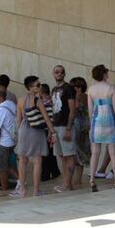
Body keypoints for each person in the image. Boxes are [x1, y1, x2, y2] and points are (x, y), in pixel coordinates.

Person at [12, 76, 55, 197]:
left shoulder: (20, 100)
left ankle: (22, 190)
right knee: (37, 161)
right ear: (30, 87)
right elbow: (46, 118)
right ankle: (36, 190)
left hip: (24, 130)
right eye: (37, 85)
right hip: (36, 131)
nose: (40, 86)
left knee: (22, 160)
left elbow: (19, 119)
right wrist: (52, 132)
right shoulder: (38, 100)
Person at [88, 65, 115, 192]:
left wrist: (92, 122)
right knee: (113, 152)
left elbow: (90, 109)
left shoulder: (91, 89)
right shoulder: (111, 88)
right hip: (110, 121)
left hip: (96, 121)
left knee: (95, 152)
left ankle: (92, 180)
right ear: (104, 74)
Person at [51, 65, 77, 193]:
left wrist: (68, 128)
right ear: (53, 74)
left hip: (65, 126)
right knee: (62, 156)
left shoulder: (68, 88)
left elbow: (72, 110)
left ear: (64, 73)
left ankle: (66, 184)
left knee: (69, 155)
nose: (59, 74)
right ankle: (67, 183)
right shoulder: (54, 89)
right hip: (56, 126)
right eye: (56, 72)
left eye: (61, 72)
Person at [0, 85, 17, 191]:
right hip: (12, 141)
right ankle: (21, 180)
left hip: (3, 143)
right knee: (8, 165)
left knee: (1, 168)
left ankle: (4, 189)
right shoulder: (11, 104)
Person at [69, 77, 91, 188]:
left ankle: (71, 180)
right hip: (86, 127)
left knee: (74, 154)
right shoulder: (87, 97)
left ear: (78, 88)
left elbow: (75, 110)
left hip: (77, 126)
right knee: (82, 154)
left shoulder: (77, 97)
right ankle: (78, 180)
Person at [40, 84, 60, 181]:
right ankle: (55, 171)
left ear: (42, 92)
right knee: (50, 153)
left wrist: (49, 132)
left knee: (45, 153)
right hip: (51, 130)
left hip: (47, 130)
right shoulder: (52, 101)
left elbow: (49, 118)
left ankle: (45, 174)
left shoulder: (45, 103)